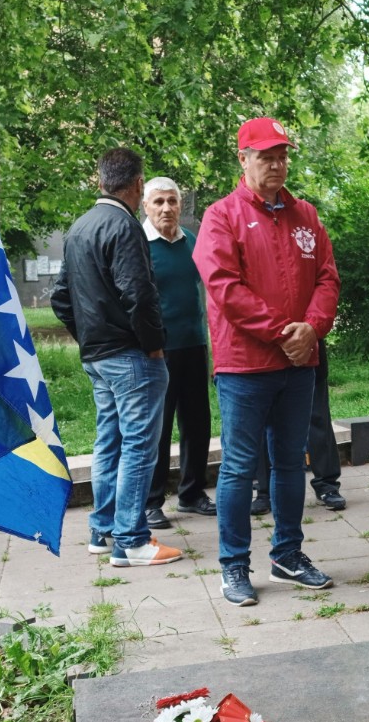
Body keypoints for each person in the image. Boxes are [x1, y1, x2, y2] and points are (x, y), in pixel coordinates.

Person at [194, 116, 340, 607]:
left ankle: (287, 555)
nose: (276, 163)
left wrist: (312, 328)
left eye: (281, 155)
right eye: (265, 156)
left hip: (298, 364)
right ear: (243, 158)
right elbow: (225, 288)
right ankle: (234, 565)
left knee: (288, 464)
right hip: (245, 366)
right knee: (237, 467)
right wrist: (284, 332)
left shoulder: (306, 216)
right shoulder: (222, 216)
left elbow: (327, 278)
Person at [52, 149, 182, 568]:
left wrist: (89, 336)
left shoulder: (79, 228)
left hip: (99, 356)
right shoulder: (124, 227)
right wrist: (154, 344)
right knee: (140, 446)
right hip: (130, 356)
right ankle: (131, 540)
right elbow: (139, 295)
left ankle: (102, 531)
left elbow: (60, 298)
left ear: (100, 179)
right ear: (139, 184)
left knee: (108, 442)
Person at [140, 176, 215, 527]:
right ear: (146, 206)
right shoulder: (139, 244)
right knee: (158, 428)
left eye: (172, 201)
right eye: (159, 202)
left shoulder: (192, 243)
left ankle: (192, 493)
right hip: (157, 351)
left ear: (180, 205)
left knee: (197, 423)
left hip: (194, 344)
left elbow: (209, 293)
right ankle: (152, 501)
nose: (166, 208)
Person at [250, 339, 344, 514]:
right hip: (261, 350)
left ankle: (327, 485)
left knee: (317, 416)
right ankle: (264, 491)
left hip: (306, 345)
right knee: (264, 421)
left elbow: (323, 312)